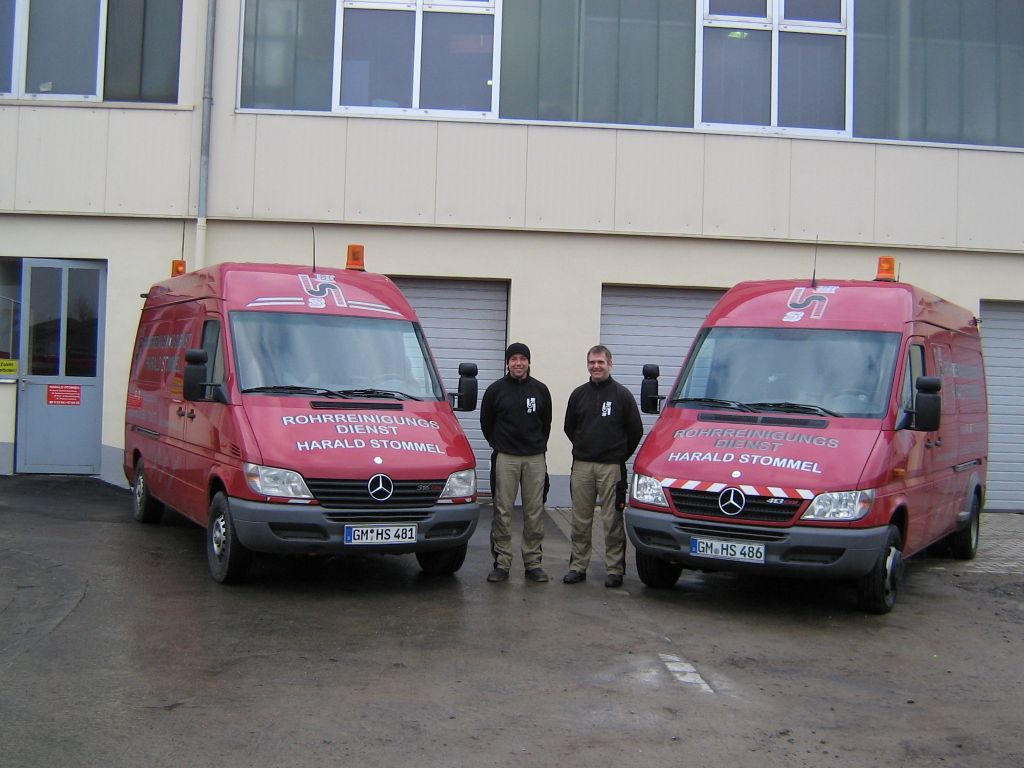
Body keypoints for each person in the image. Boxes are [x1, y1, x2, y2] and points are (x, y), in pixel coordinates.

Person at [562, 344, 643, 588]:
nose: (596, 366)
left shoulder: (622, 395)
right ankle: (578, 566)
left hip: (611, 468)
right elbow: (569, 427)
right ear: (587, 365)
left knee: (612, 521)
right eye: (592, 362)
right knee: (580, 520)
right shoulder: (578, 394)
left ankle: (614, 569)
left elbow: (635, 431)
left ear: (610, 364)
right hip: (583, 467)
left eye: (600, 362)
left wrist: (618, 455)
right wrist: (585, 448)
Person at [480, 342, 553, 583]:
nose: (518, 363)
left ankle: (533, 563)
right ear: (507, 363)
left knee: (534, 512)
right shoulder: (495, 391)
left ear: (529, 362)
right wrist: (500, 445)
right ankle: (501, 563)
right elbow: (486, 424)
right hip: (506, 458)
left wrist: (536, 447)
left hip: (534, 459)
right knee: (503, 511)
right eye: (514, 359)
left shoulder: (541, 390)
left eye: (523, 358)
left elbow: (546, 423)